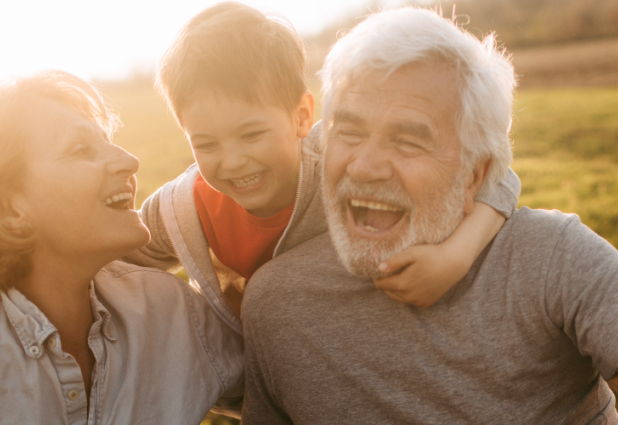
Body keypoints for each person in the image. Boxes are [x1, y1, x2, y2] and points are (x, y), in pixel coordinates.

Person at [241, 7, 618, 424]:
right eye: (349, 132)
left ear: (474, 175)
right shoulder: (277, 307)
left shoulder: (554, 263)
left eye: (407, 141)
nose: (364, 167)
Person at [125, 2, 521, 340]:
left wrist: (456, 255)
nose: (231, 161)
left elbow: (496, 176)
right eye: (206, 144)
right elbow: (113, 257)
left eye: (251, 135)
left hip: (351, 347)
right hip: (246, 377)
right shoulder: (181, 208)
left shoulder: (337, 163)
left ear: (302, 116)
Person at [0, 71, 242, 425]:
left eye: (109, 141)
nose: (129, 161)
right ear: (8, 209)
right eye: (81, 150)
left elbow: (281, 388)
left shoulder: (168, 309)